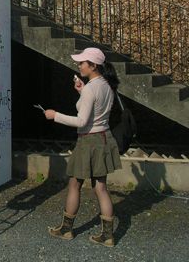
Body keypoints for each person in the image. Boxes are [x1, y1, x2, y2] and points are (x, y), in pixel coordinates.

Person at [44, 47, 122, 247]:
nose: (79, 66)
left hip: (88, 141)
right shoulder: (107, 85)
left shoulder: (91, 88)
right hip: (104, 137)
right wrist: (81, 91)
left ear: (93, 65)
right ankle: (108, 236)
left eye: (82, 63)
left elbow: (81, 120)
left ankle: (66, 229)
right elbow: (93, 111)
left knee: (74, 184)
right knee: (101, 187)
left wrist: (55, 116)